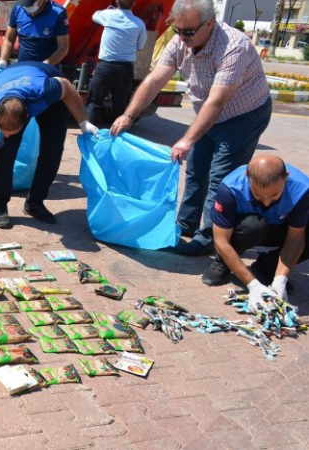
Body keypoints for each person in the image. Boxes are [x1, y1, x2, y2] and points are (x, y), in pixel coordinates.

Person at [110, 0, 272, 257]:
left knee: (221, 180)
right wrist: (129, 115)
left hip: (243, 116)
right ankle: (186, 223)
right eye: (177, 30)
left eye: (188, 32)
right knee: (196, 170)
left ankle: (209, 237)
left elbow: (217, 101)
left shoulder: (234, 46)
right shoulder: (180, 42)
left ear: (209, 24)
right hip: (208, 113)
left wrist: (186, 140)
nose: (182, 37)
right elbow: (154, 80)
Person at [0, 62, 98, 228]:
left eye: (13, 131)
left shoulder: (44, 91)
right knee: (6, 150)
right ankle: (0, 205)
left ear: (27, 116)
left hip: (50, 88)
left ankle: (35, 203)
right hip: (14, 80)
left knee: (52, 148)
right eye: (3, 130)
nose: (6, 134)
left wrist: (83, 122)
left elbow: (67, 86)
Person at [201, 156, 309, 311]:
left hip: (281, 227)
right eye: (257, 195)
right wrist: (252, 284)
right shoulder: (229, 188)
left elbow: (296, 237)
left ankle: (267, 268)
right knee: (253, 226)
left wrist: (281, 278)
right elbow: (221, 240)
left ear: (286, 177)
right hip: (246, 230)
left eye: (274, 195)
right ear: (247, 177)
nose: (266, 202)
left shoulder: (303, 190)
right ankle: (223, 263)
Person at [86, 0, 147, 127]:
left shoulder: (108, 15)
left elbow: (94, 16)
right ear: (134, 3)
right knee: (121, 106)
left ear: (117, 2)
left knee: (94, 103)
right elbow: (140, 46)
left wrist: (109, 10)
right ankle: (118, 137)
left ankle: (89, 138)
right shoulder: (139, 24)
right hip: (125, 69)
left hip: (105, 67)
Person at [0, 0, 69, 70]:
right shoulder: (18, 9)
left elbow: (63, 47)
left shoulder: (58, 13)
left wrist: (47, 63)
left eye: (29, 5)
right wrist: (2, 60)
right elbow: (9, 39)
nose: (26, 7)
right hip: (23, 69)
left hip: (47, 71)